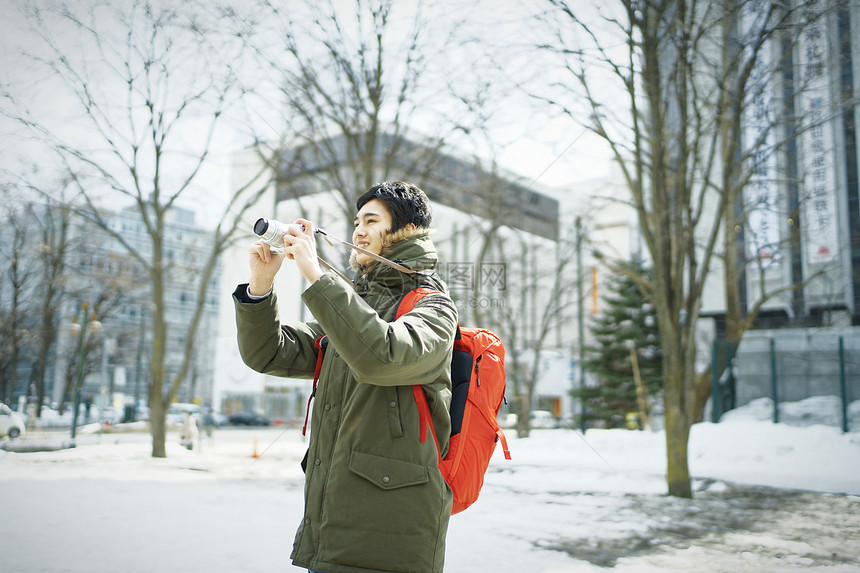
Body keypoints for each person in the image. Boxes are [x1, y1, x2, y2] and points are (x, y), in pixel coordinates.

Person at [233, 181, 458, 573]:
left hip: (391, 541)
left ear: (406, 231)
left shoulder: (434, 305)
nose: (358, 230)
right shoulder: (353, 307)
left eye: (372, 220)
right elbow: (268, 352)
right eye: (356, 221)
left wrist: (317, 276)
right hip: (329, 534)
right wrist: (261, 285)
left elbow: (383, 357)